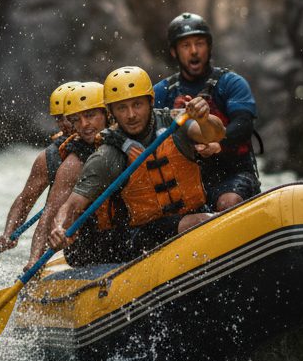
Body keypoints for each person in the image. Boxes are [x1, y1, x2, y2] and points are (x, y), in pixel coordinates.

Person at [49, 66, 225, 265]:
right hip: (145, 232)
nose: (131, 114)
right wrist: (59, 229)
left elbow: (215, 134)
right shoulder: (107, 155)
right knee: (203, 221)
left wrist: (205, 119)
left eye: (137, 104)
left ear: (150, 102)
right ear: (111, 112)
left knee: (216, 212)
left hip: (195, 211)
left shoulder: (175, 122)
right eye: (122, 108)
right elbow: (71, 205)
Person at [153, 12, 260, 212]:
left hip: (232, 174)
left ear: (209, 47)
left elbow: (244, 124)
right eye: (185, 45)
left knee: (227, 203)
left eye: (200, 43)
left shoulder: (230, 83)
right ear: (174, 52)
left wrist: (219, 144)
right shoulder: (162, 92)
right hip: (183, 181)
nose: (194, 51)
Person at [0, 81, 79, 252]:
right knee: (52, 205)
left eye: (69, 116)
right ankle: (37, 263)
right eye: (58, 118)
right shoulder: (50, 157)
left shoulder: (111, 142)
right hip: (69, 235)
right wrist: (9, 234)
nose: (64, 123)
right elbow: (25, 200)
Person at [28, 81, 108, 262]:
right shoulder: (72, 162)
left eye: (90, 115)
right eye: (75, 120)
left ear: (107, 113)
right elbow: (51, 212)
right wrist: (34, 262)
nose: (84, 124)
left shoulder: (128, 135)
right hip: (93, 244)